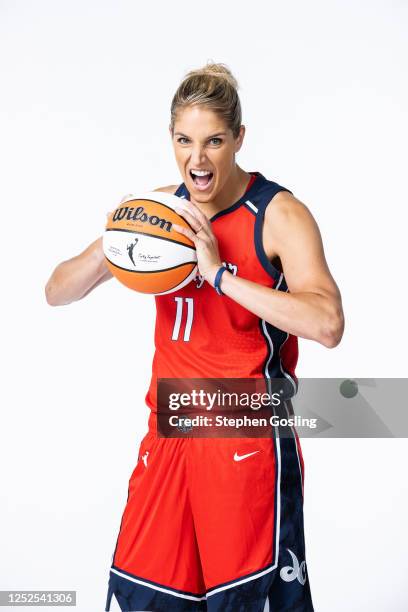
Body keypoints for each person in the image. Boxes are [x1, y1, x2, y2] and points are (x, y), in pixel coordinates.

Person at [45, 62, 344, 612]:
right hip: (169, 436)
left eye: (213, 142)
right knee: (144, 600)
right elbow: (56, 290)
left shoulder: (277, 215)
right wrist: (119, 240)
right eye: (185, 141)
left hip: (245, 439)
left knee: (244, 605)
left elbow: (327, 324)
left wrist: (219, 274)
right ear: (171, 139)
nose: (197, 160)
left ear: (238, 140)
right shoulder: (161, 212)